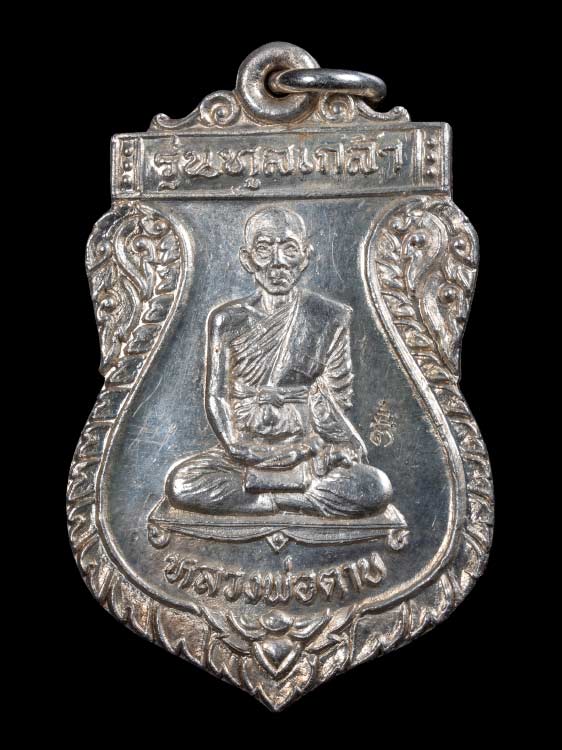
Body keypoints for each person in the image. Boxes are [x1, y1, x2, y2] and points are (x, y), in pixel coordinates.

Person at [163, 207, 392, 517]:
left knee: (375, 487)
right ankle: (289, 498)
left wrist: (330, 449)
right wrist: (234, 445)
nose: (278, 262)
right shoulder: (226, 320)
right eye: (264, 249)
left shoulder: (329, 317)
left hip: (307, 452)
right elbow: (217, 395)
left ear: (305, 256)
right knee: (182, 483)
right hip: (245, 454)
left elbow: (334, 397)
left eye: (289, 249)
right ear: (247, 259)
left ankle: (268, 499)